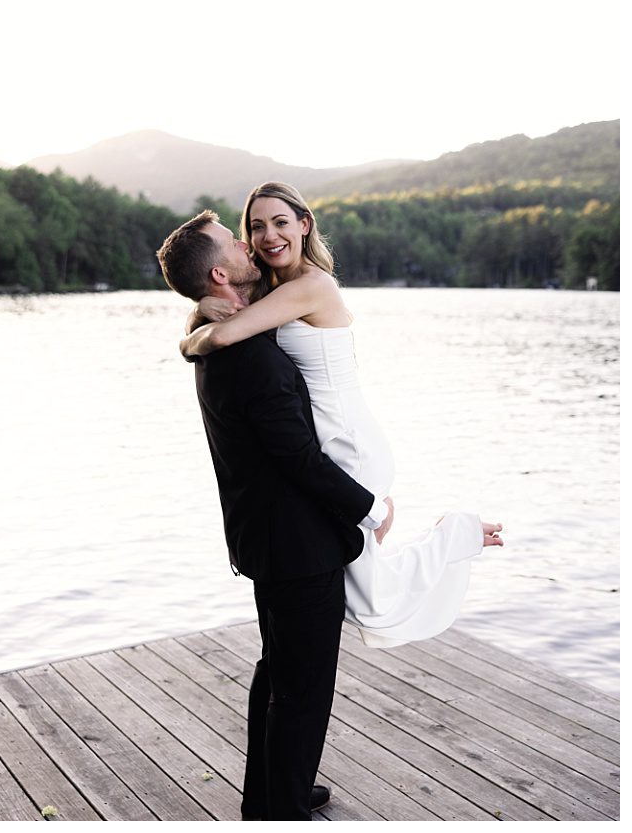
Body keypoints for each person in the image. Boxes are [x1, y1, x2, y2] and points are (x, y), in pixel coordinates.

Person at [178, 183, 502, 646]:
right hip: (329, 438)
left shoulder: (311, 285)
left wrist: (188, 338)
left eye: (281, 222)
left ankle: (457, 534)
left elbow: (224, 337)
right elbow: (230, 317)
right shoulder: (274, 285)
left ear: (305, 224)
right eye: (254, 227)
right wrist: (201, 315)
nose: (267, 236)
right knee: (362, 589)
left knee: (369, 595)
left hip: (347, 442)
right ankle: (456, 537)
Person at [154, 207, 389, 820]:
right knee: (303, 690)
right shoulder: (251, 358)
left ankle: (270, 794)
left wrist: (196, 321)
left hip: (266, 538)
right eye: (235, 240)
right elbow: (299, 461)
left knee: (279, 671)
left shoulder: (228, 341)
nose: (248, 243)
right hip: (298, 545)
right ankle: (278, 810)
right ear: (221, 276)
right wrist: (368, 508)